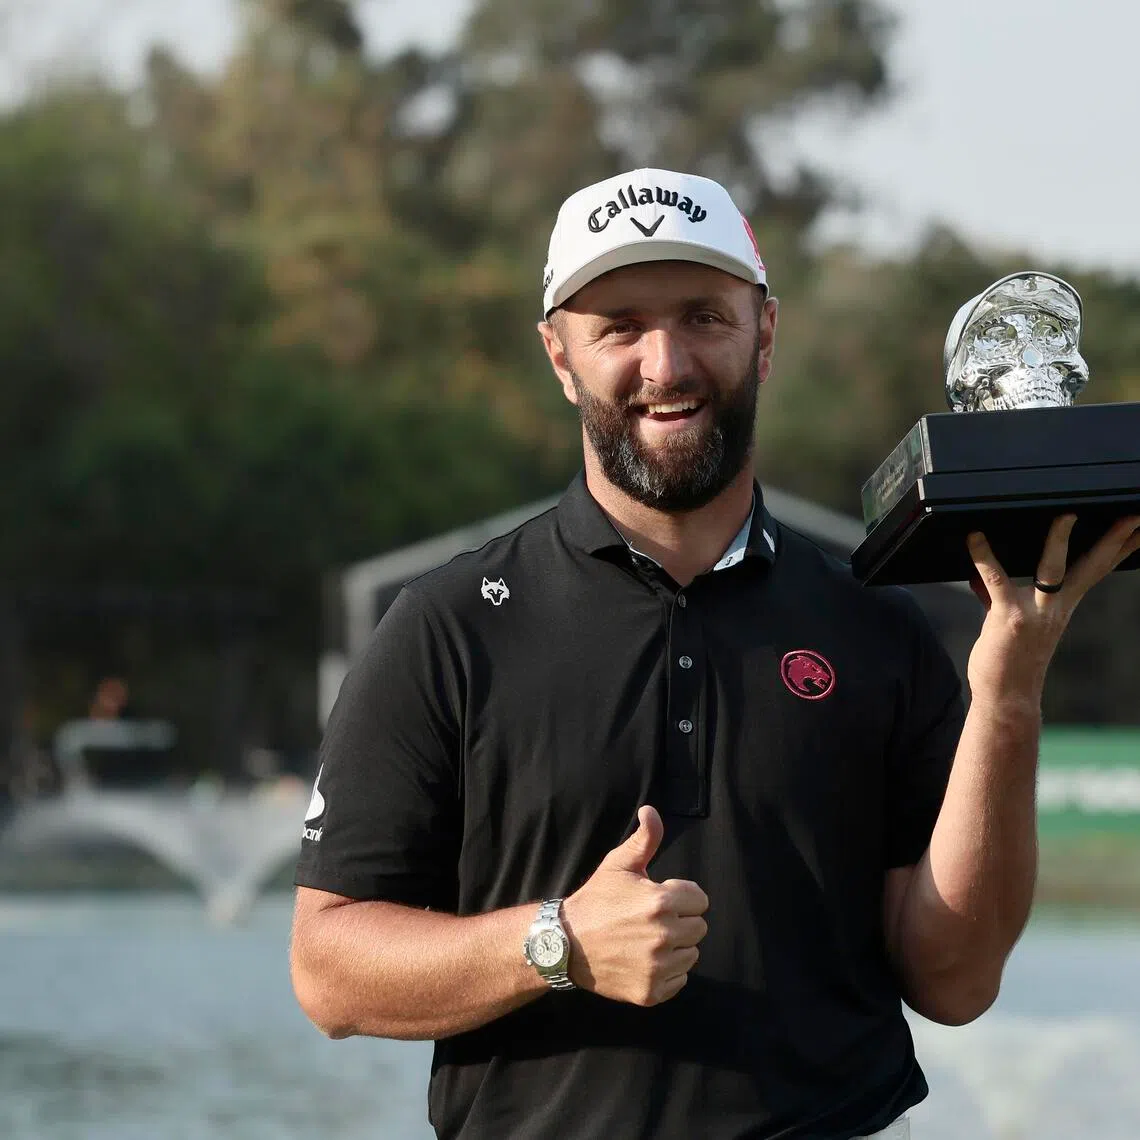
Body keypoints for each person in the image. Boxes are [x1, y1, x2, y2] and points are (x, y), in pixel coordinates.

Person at [290, 168, 1140, 1139]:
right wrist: (557, 943)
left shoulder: (880, 627)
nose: (667, 363)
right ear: (559, 355)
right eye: (619, 326)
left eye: (703, 317)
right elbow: (328, 972)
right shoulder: (449, 626)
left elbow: (956, 981)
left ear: (764, 334)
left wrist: (1009, 694)